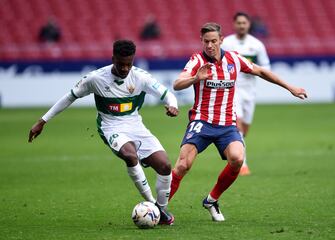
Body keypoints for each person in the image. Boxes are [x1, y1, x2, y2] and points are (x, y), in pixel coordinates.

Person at [28, 40, 178, 225]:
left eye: (128, 64)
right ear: (113, 58)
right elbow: (69, 97)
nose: (124, 68)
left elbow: (167, 94)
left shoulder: (141, 77)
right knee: (130, 156)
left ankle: (161, 210)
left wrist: (173, 106)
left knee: (165, 166)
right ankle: (153, 206)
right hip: (110, 126)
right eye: (120, 63)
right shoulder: (95, 79)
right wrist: (42, 121)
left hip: (136, 126)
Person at [169, 23, 307, 222]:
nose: (209, 45)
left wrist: (290, 87)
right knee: (183, 165)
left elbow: (260, 71)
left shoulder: (234, 58)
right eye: (206, 41)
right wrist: (196, 78)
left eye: (213, 41)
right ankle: (159, 208)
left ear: (221, 40)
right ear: (202, 41)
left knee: (237, 159)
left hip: (226, 125)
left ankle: (211, 199)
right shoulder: (196, 60)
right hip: (202, 121)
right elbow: (177, 83)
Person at [221, 12, 271, 176]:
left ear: (249, 25)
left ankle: (234, 148)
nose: (241, 25)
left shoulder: (257, 45)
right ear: (234, 24)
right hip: (232, 89)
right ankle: (242, 164)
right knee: (238, 125)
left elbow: (265, 67)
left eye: (244, 23)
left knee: (245, 129)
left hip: (250, 91)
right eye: (239, 23)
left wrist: (251, 67)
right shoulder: (227, 43)